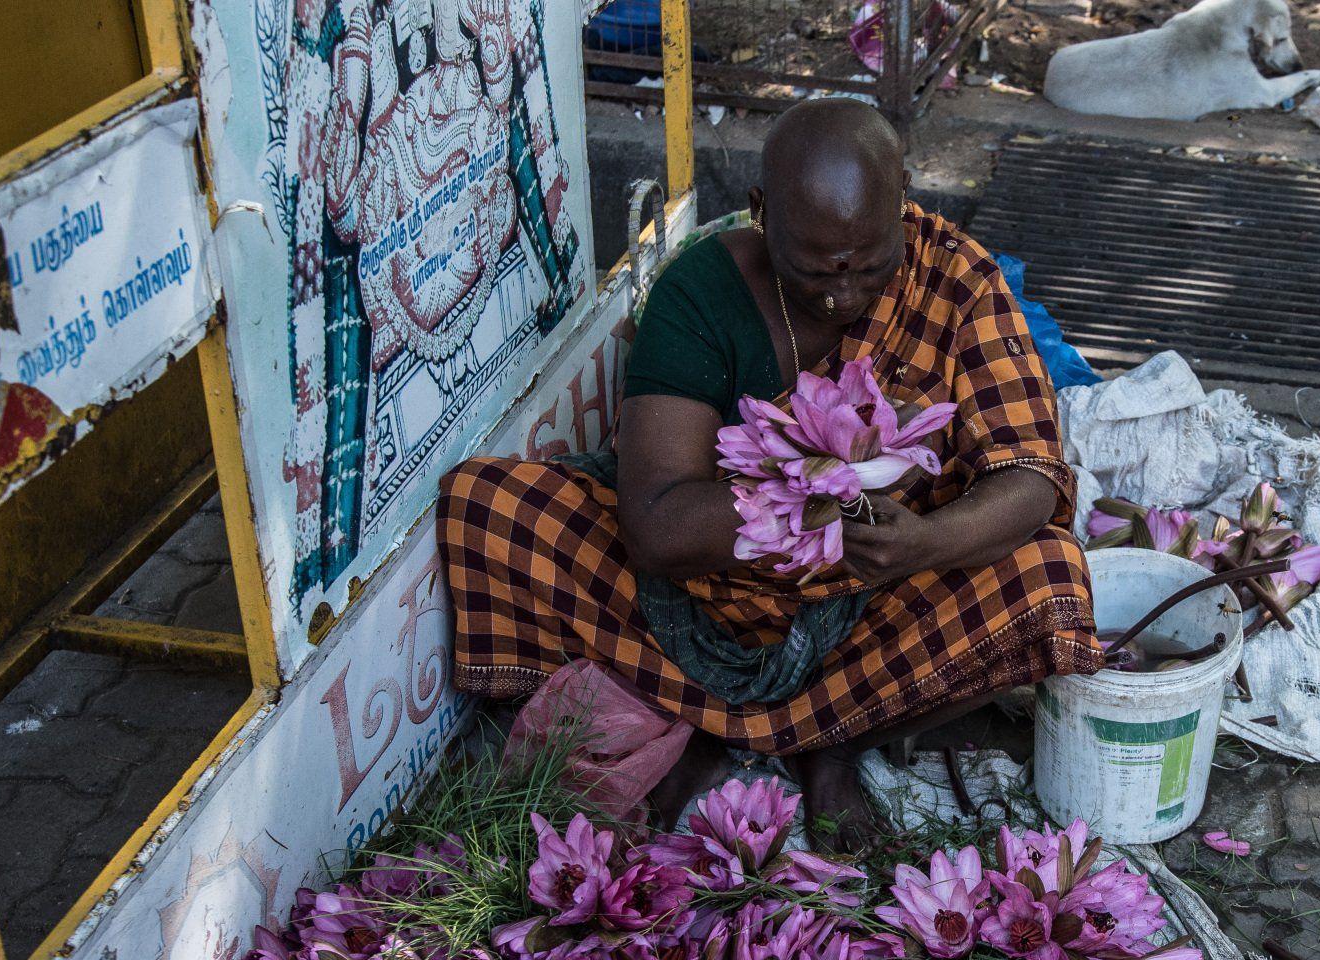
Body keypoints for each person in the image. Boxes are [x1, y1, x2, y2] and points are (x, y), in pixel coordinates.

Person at [437, 99, 1101, 847]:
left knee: (1048, 576)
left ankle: (824, 744)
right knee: (488, 507)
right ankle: (761, 727)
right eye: (815, 269)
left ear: (903, 196)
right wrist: (810, 495)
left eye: (870, 265)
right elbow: (657, 527)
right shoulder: (702, 293)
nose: (844, 294)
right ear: (760, 211)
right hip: (701, 594)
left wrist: (925, 542)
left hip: (880, 595)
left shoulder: (957, 280)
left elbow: (1030, 474)